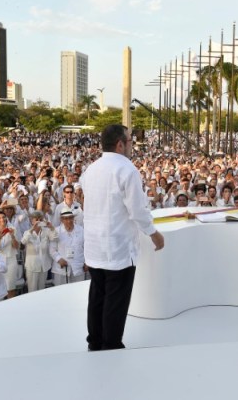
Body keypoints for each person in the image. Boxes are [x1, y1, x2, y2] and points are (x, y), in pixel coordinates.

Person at [81, 124, 165, 351]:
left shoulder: (91, 169)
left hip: (95, 247)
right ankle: (111, 345)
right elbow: (137, 210)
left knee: (97, 297)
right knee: (115, 302)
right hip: (118, 247)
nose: (132, 145)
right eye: (130, 141)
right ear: (120, 144)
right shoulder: (127, 170)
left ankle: (95, 342)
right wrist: (153, 233)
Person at [20, 211, 57, 292]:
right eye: (36, 219)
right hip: (32, 266)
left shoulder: (46, 231)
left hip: (44, 265)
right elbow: (23, 242)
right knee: (32, 290)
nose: (38, 221)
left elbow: (54, 238)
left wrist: (51, 227)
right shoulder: (27, 232)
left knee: (42, 289)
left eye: (40, 219)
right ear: (31, 220)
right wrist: (32, 229)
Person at [49, 208, 86, 286]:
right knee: (61, 293)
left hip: (78, 266)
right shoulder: (56, 231)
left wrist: (86, 262)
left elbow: (86, 247)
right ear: (61, 220)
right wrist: (59, 259)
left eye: (70, 218)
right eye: (66, 218)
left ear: (73, 218)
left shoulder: (81, 230)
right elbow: (52, 249)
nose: (68, 221)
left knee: (78, 292)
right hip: (61, 268)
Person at [0, 210, 20, 298]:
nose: (2, 219)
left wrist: (12, 236)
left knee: (11, 288)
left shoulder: (13, 229)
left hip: (11, 260)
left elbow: (16, 246)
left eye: (3, 217)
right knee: (0, 288)